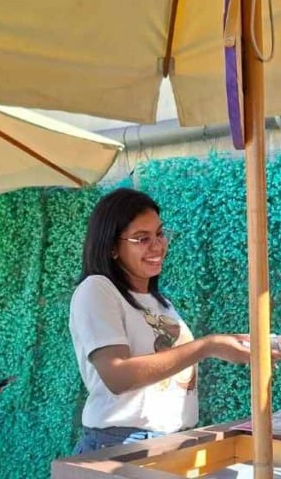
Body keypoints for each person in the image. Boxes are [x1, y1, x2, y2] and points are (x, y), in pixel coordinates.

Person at [69, 187, 250, 452]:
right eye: (142, 238)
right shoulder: (96, 289)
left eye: (160, 234)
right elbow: (117, 375)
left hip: (170, 441)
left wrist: (235, 345)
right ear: (111, 248)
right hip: (122, 443)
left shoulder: (158, 301)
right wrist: (208, 346)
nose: (158, 245)